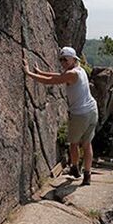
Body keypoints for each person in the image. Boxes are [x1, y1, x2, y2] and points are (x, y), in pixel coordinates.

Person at [23, 47, 98, 186]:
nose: (63, 62)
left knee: (74, 143)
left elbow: (50, 81)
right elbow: (58, 75)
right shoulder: (79, 69)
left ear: (73, 59)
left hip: (81, 114)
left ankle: (75, 168)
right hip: (92, 110)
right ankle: (87, 176)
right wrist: (40, 72)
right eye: (61, 59)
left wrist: (28, 73)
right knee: (87, 144)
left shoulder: (72, 74)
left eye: (65, 59)